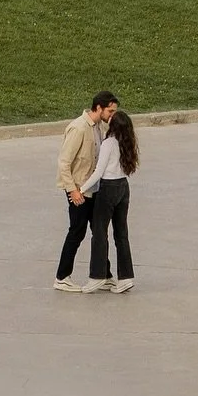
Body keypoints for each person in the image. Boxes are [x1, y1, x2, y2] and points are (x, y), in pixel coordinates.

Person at [53, 92, 119, 291]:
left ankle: (104, 275)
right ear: (98, 108)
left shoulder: (100, 126)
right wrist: (73, 191)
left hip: (94, 189)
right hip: (79, 190)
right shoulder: (79, 128)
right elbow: (64, 163)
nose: (112, 115)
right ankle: (62, 277)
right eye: (110, 111)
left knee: (99, 231)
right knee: (77, 232)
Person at [79, 108, 139, 294]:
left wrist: (81, 189)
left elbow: (98, 172)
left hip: (108, 189)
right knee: (121, 234)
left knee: (99, 232)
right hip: (123, 188)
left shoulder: (109, 143)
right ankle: (126, 277)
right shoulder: (126, 143)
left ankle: (97, 276)